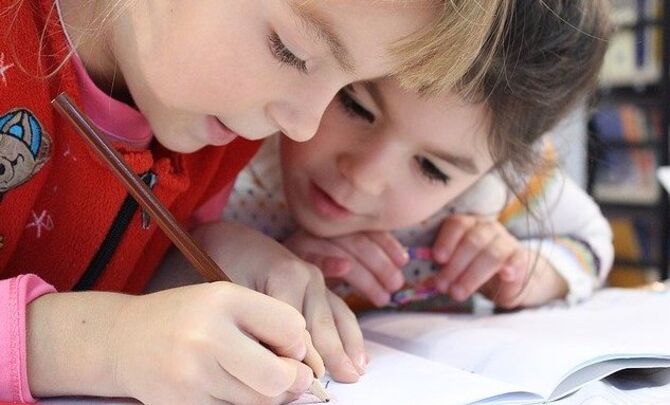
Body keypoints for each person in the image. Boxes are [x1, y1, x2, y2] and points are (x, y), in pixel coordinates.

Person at [0, 0, 509, 403]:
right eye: (292, 51)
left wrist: (201, 258)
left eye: (347, 87)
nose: (303, 124)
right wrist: (106, 345)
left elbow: (101, 266)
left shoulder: (222, 129)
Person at [222, 0, 614, 311]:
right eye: (355, 107)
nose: (363, 176)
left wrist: (530, 272)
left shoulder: (494, 192)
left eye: (431, 168)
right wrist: (245, 262)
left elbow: (592, 241)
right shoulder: (234, 137)